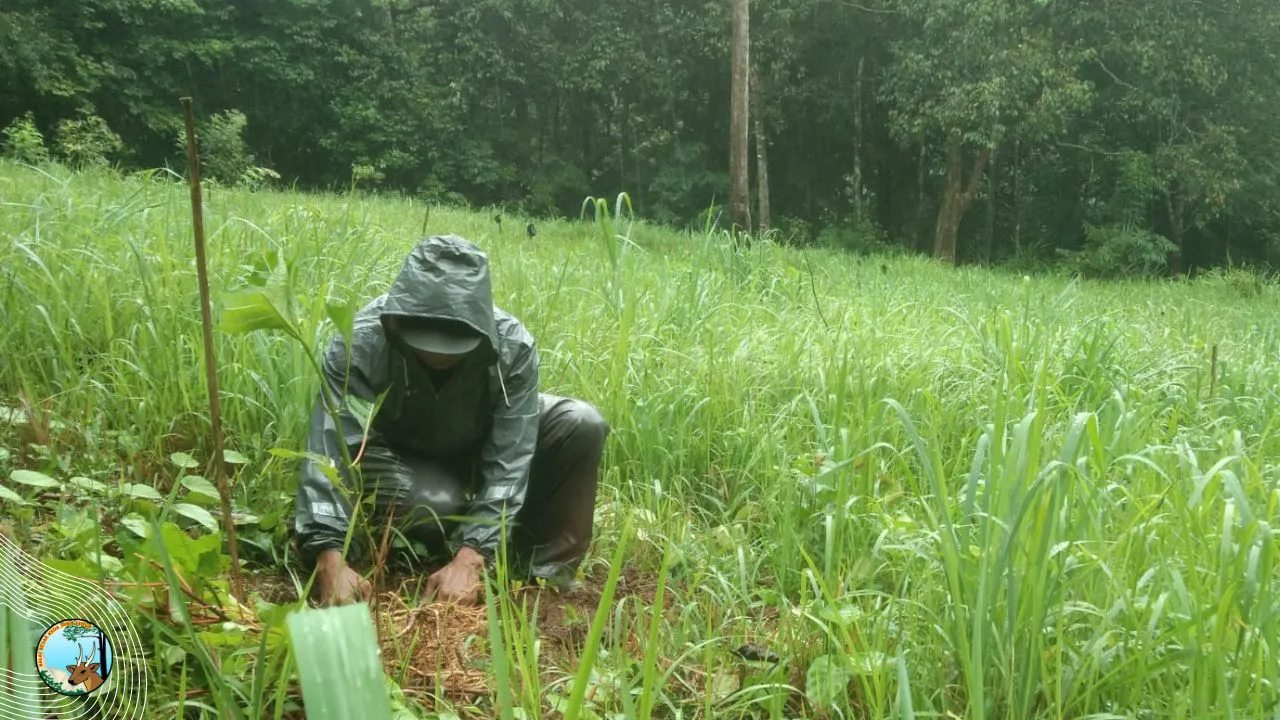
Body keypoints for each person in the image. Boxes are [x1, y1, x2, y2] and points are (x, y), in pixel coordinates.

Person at [292, 234, 610, 606]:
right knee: (436, 506)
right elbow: (331, 448)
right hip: (398, 452)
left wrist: (474, 556)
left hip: (479, 439)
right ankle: (424, 530)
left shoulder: (513, 348)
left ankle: (541, 581)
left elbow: (511, 454)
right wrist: (329, 554)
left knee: (581, 422)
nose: (437, 354)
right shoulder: (361, 343)